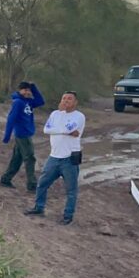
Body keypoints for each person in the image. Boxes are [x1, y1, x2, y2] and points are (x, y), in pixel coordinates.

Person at [24, 91, 85, 225]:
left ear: (75, 102)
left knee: (71, 189)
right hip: (54, 156)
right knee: (42, 183)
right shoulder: (55, 114)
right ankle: (39, 208)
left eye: (69, 99)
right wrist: (64, 131)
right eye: (64, 98)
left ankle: (68, 216)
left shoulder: (79, 116)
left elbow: (69, 128)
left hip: (70, 158)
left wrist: (62, 129)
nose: (66, 101)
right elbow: (47, 130)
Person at [0, 81, 46, 191]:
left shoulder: (28, 102)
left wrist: (34, 88)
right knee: (30, 158)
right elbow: (11, 119)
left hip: (27, 133)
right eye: (25, 90)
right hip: (22, 134)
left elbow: (41, 101)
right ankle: (32, 185)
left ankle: (5, 180)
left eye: (28, 90)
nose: (27, 92)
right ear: (20, 90)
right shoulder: (18, 102)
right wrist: (7, 135)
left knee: (17, 159)